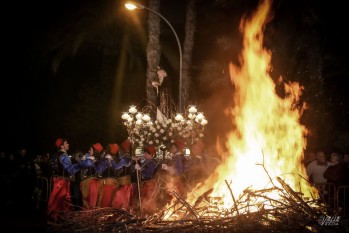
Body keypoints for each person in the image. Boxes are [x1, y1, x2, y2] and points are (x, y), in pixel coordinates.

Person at [47, 138, 93, 224]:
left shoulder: (56, 155)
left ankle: (58, 219)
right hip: (62, 182)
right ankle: (59, 219)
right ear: (62, 146)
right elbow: (71, 170)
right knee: (63, 200)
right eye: (66, 143)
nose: (68, 144)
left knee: (58, 201)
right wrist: (81, 164)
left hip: (57, 180)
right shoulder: (64, 156)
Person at [95, 143, 132, 207]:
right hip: (116, 184)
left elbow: (98, 170)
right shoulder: (118, 160)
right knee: (114, 204)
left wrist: (95, 162)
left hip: (107, 185)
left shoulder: (107, 160)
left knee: (105, 204)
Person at [132, 145, 158, 217]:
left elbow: (148, 174)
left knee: (147, 200)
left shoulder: (153, 163)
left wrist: (140, 169)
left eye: (146, 153)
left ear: (151, 154)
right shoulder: (146, 161)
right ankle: (140, 215)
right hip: (144, 184)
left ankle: (147, 215)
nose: (144, 154)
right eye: (144, 153)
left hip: (149, 185)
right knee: (141, 199)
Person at [80, 142, 103, 209]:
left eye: (90, 150)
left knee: (90, 204)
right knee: (93, 203)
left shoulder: (91, 160)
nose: (89, 151)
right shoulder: (98, 160)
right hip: (95, 183)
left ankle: (89, 217)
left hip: (91, 184)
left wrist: (83, 160)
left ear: (95, 151)